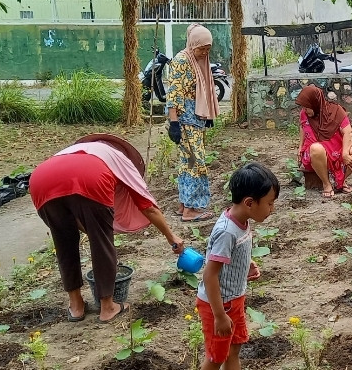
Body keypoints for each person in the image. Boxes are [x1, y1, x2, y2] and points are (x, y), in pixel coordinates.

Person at [28, 133, 185, 323]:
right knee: (101, 241)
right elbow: (148, 207)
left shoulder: (73, 152)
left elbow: (77, 215)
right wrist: (171, 237)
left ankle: (76, 306)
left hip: (41, 180)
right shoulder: (119, 159)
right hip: (90, 178)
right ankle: (108, 308)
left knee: (63, 243)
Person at [197, 162, 280, 370]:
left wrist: (246, 263)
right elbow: (209, 275)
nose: (272, 209)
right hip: (219, 305)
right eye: (270, 203)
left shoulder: (242, 219)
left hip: (234, 300)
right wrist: (219, 316)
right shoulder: (227, 232)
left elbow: (231, 254)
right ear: (250, 202)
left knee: (234, 348)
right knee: (216, 357)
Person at [166, 23, 220, 222]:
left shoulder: (198, 61)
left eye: (208, 49)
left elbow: (203, 88)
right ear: (192, 44)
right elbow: (174, 92)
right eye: (201, 48)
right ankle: (191, 209)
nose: (205, 52)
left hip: (195, 118)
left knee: (187, 162)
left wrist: (207, 116)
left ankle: (183, 205)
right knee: (194, 163)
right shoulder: (182, 60)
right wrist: (174, 122)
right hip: (184, 119)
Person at [295, 85, 352, 198]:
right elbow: (303, 127)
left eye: (307, 107)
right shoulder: (304, 114)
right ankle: (327, 184)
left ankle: (340, 181)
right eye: (303, 107)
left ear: (315, 103)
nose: (305, 110)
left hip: (336, 151)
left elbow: (347, 132)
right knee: (316, 148)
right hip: (314, 155)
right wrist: (300, 147)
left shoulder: (336, 110)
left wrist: (345, 153)